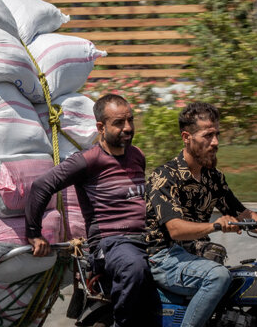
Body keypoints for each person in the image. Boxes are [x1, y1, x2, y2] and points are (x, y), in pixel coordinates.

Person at [145, 101, 257, 327]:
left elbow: (242, 213)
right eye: (208, 136)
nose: (216, 142)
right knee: (217, 276)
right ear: (186, 137)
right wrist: (215, 226)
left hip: (197, 257)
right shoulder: (165, 175)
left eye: (217, 134)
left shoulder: (213, 178)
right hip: (165, 258)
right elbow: (175, 229)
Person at [25, 94, 158, 327]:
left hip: (143, 239)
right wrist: (34, 233)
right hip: (111, 243)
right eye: (119, 123)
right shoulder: (88, 160)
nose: (127, 128)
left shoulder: (137, 155)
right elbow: (41, 186)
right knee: (134, 268)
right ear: (100, 127)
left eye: (130, 121)